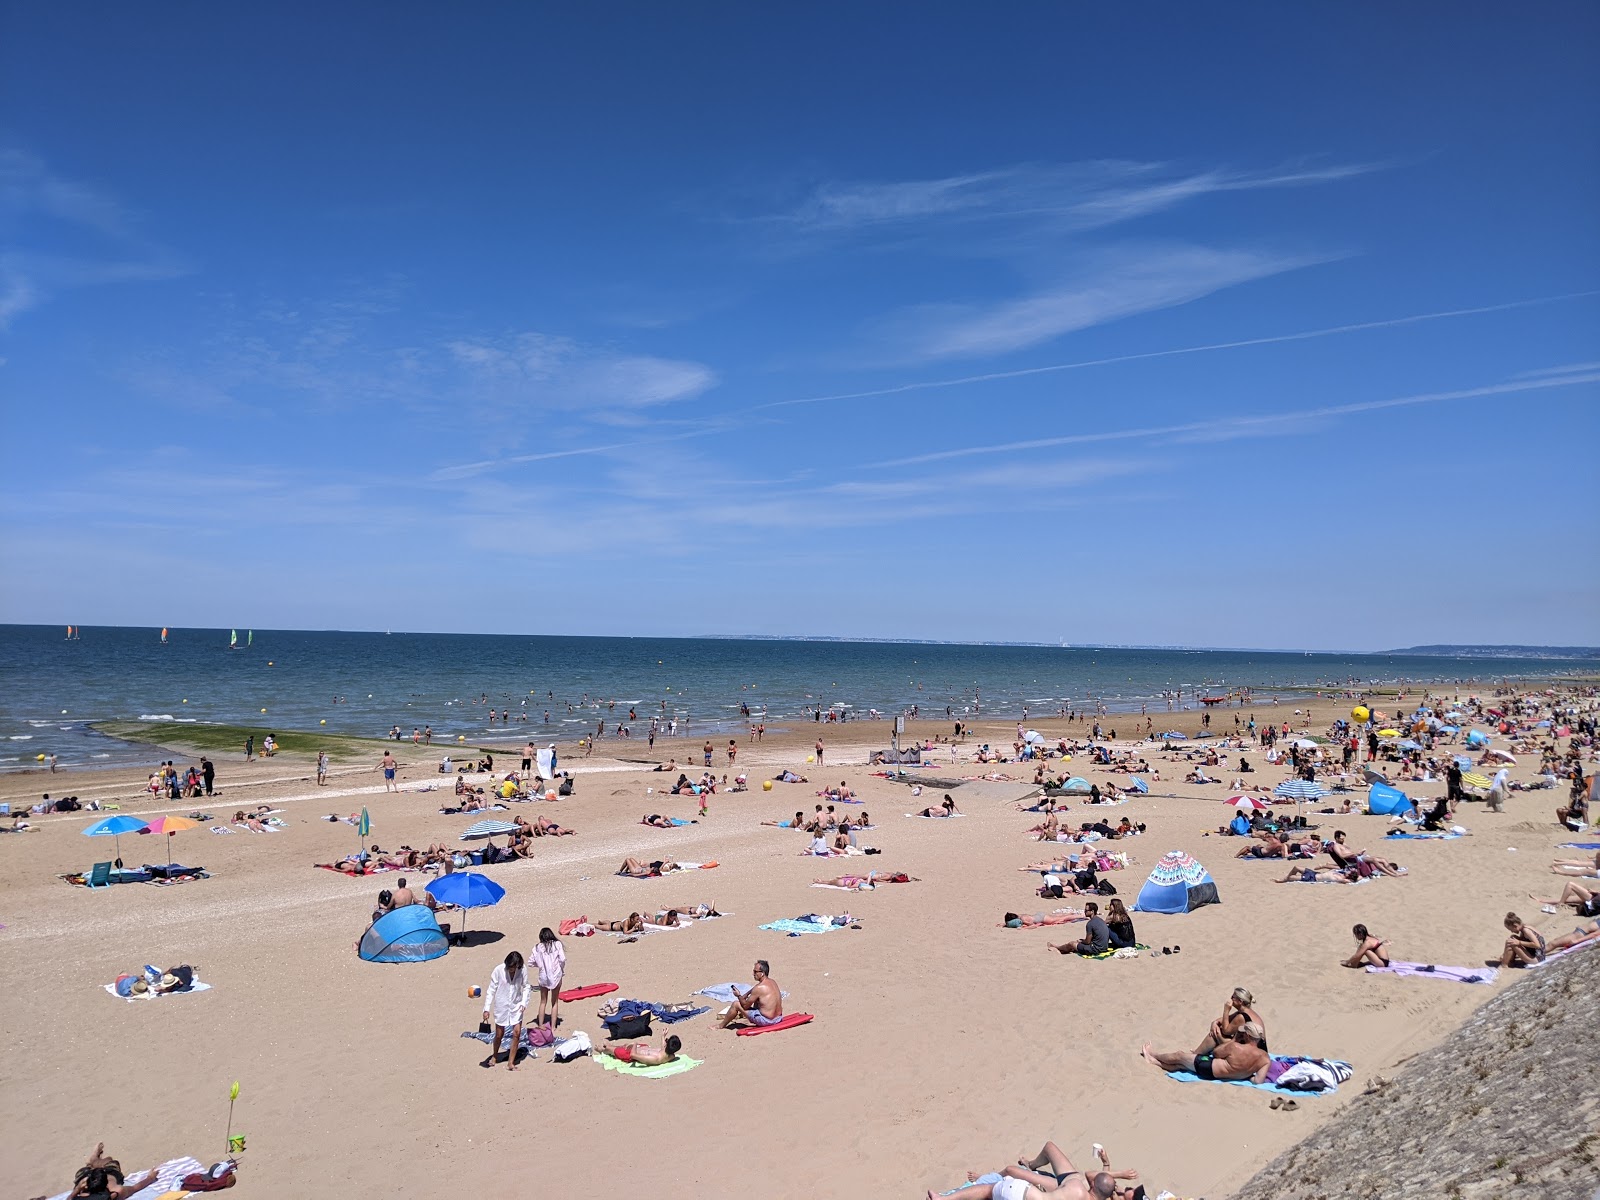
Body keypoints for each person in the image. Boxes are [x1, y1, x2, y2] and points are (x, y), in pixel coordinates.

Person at [1143, 1023, 1270, 1083]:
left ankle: (1153, 1054)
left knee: (1179, 1056)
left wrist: (1234, 1040)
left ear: (1247, 1035)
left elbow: (1215, 1053)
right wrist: (1243, 1075)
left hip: (1208, 1068)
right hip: (1222, 1075)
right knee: (1181, 1066)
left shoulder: (1236, 1047)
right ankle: (1155, 1062)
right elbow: (1258, 1080)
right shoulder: (1265, 1058)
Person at [481, 951, 531, 1071]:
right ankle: (494, 1055)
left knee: (517, 1033)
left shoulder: (522, 970)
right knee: (499, 1034)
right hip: (501, 1006)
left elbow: (527, 986)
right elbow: (491, 990)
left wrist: (524, 1002)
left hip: (516, 1005)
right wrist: (486, 1008)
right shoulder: (498, 970)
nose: (513, 970)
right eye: (511, 968)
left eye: (515, 968)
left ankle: (511, 1063)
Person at [63, 1143, 166, 1199]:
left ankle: (92, 1163)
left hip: (84, 1174)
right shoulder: (115, 1192)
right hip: (98, 1173)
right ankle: (94, 1162)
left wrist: (77, 1189)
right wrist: (151, 1177)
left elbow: (69, 1198)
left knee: (86, 1170)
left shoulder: (82, 1193)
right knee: (110, 1161)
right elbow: (135, 1187)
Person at [1194, 986, 1263, 1055]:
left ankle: (1195, 1055)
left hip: (1252, 1052)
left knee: (1216, 1033)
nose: (1231, 999)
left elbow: (1226, 1031)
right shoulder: (1247, 1012)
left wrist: (1226, 1010)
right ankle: (1196, 1053)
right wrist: (1214, 1023)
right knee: (1217, 1029)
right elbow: (1222, 1020)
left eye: (1233, 997)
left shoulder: (1241, 1017)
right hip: (1257, 1048)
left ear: (1240, 1001)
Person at [715, 959, 783, 1028]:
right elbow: (757, 989)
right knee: (757, 999)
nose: (753, 974)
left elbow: (745, 1006)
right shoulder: (772, 982)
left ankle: (720, 1025)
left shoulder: (759, 988)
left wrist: (738, 995)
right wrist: (747, 993)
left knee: (736, 1004)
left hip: (767, 1021)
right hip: (778, 1018)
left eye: (755, 972)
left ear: (762, 973)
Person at [530, 926, 566, 1029]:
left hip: (543, 976)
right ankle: (553, 1027)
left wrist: (541, 965)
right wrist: (560, 968)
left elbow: (531, 962)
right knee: (554, 1002)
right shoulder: (557, 944)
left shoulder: (537, 947)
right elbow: (562, 959)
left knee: (543, 1001)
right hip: (556, 975)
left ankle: (541, 1025)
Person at [599, 1034, 683, 1067]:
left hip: (629, 1054)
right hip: (641, 1048)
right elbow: (663, 1050)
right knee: (616, 1046)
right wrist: (662, 1037)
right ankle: (608, 1046)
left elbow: (633, 1055)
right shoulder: (671, 1055)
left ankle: (601, 1049)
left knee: (607, 1047)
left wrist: (634, 1043)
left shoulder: (655, 1058)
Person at [1527, 881, 1600, 918]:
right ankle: (1542, 901)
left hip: (1594, 902)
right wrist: (1597, 892)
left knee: (1570, 884)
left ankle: (1559, 904)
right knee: (1568, 899)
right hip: (1595, 899)